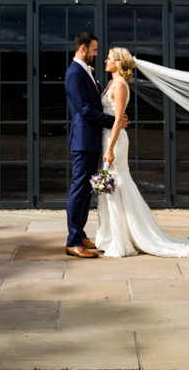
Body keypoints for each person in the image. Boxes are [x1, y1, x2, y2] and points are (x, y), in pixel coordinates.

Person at [94, 47, 189, 258]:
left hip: (114, 141)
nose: (106, 60)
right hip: (107, 137)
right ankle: (112, 234)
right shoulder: (110, 83)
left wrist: (110, 148)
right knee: (112, 186)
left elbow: (118, 119)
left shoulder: (120, 85)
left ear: (119, 62)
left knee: (118, 184)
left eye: (109, 58)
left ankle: (123, 239)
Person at [62, 31, 122, 258]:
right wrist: (113, 120)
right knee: (79, 190)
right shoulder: (74, 73)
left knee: (87, 190)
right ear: (83, 49)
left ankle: (80, 233)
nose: (97, 54)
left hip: (91, 140)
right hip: (83, 141)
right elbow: (85, 110)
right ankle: (73, 241)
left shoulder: (84, 72)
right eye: (95, 50)